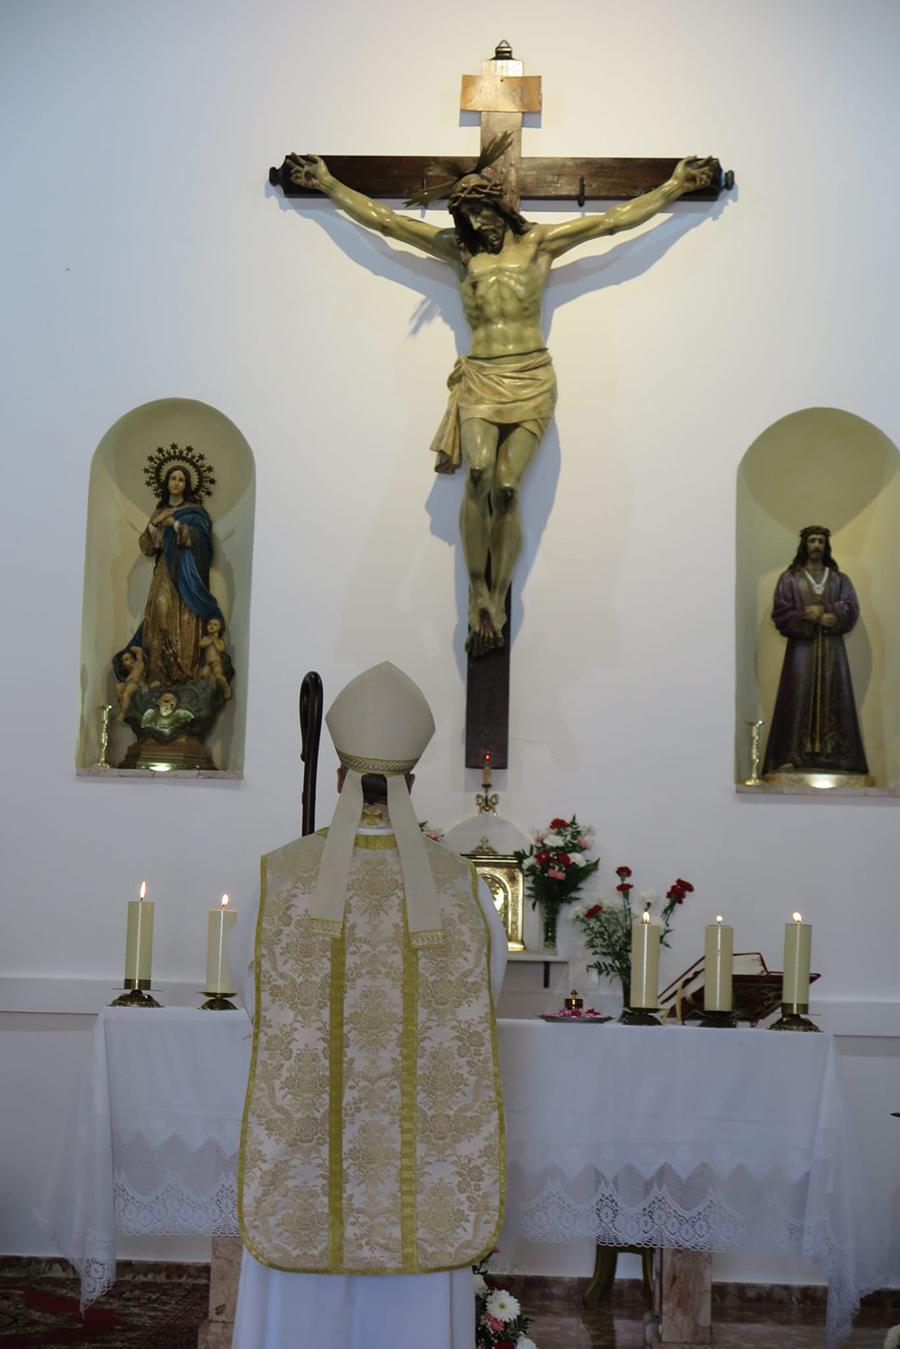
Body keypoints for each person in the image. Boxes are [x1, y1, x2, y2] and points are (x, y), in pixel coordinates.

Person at [287, 151, 715, 654]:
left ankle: (497, 593)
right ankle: (477, 593)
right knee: (479, 472)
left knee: (508, 488)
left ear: (501, 207)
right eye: (465, 214)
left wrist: (675, 188)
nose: (475, 221)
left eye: (482, 210)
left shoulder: (539, 245)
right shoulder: (459, 253)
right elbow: (388, 222)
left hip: (532, 375)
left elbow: (611, 223)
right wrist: (328, 184)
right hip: (482, 378)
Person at [230, 662, 507, 1349]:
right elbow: (486, 994)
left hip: (307, 1155)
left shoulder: (279, 876)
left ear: (337, 780)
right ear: (412, 783)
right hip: (421, 1159)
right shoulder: (462, 887)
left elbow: (248, 988)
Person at [762, 526, 869, 781]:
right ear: (804, 545)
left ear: (826, 545)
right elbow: (780, 612)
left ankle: (838, 756)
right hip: (801, 651)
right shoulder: (789, 578)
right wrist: (804, 616)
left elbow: (851, 608)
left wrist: (833, 614)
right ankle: (792, 754)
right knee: (797, 695)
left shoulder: (840, 579)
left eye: (821, 541)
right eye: (812, 540)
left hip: (833, 652)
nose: (817, 545)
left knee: (836, 693)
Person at [130, 464, 225, 686]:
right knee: (161, 612)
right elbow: (148, 547)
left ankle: (184, 671)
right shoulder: (159, 513)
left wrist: (177, 524)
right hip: (165, 570)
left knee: (186, 617)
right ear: (167, 482)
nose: (176, 483)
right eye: (173, 478)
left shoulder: (195, 513)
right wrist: (154, 524)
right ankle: (158, 672)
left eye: (181, 480)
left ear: (187, 485)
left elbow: (202, 541)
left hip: (187, 573)